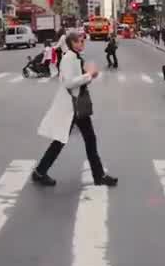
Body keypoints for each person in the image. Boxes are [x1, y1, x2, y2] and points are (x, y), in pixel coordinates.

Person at [32, 31, 117, 187]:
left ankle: (99, 176)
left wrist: (91, 76)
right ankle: (39, 172)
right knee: (61, 141)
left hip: (78, 106)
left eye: (82, 42)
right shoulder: (68, 59)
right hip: (71, 106)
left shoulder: (76, 58)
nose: (81, 44)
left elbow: (80, 81)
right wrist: (88, 75)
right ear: (71, 43)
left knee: (88, 139)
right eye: (78, 42)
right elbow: (69, 83)